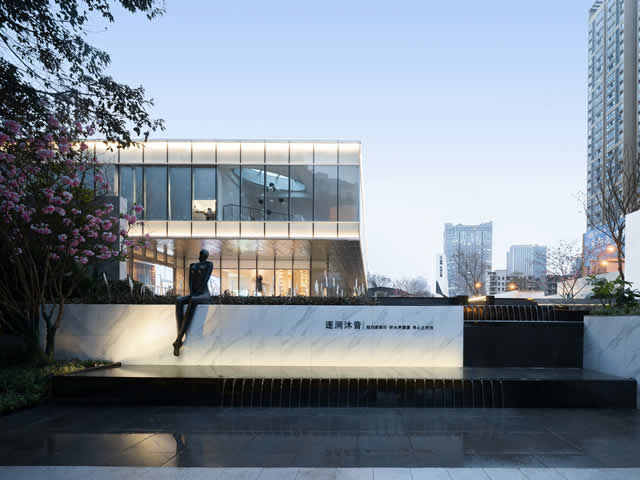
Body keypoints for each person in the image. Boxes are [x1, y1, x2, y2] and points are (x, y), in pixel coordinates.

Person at [173, 249, 213, 356]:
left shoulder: (209, 264)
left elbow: (205, 279)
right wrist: (192, 292)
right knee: (179, 300)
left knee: (192, 300)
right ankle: (179, 336)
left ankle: (178, 340)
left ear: (206, 256)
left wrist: (197, 293)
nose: (201, 256)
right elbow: (190, 282)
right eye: (200, 254)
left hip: (204, 294)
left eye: (203, 254)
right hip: (194, 294)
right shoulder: (192, 265)